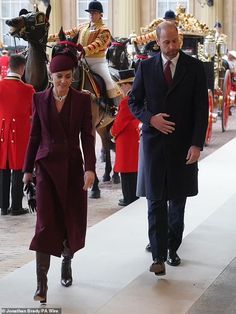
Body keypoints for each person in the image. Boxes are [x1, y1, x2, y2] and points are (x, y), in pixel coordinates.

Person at [129, 21, 208, 276]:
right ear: (158, 41)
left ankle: (173, 247)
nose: (171, 46)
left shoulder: (194, 68)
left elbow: (200, 109)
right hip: (153, 145)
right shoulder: (145, 66)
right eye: (166, 42)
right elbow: (134, 101)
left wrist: (197, 144)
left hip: (183, 145)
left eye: (175, 41)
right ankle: (158, 256)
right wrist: (150, 118)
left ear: (180, 40)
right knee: (155, 200)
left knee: (177, 201)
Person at [22, 48, 96, 303]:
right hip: (45, 170)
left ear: (73, 75)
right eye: (59, 76)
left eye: (67, 76)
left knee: (69, 222)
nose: (63, 81)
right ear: (51, 76)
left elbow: (88, 136)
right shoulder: (39, 99)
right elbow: (33, 136)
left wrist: (90, 168)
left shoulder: (83, 100)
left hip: (74, 170)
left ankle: (67, 260)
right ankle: (41, 285)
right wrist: (27, 170)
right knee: (44, 225)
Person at [48, 0, 121, 106]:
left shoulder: (104, 30)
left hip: (97, 62)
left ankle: (113, 106)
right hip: (80, 59)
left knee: (108, 82)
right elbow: (66, 33)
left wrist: (84, 49)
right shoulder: (82, 26)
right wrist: (47, 38)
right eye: (90, 13)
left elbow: (99, 44)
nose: (91, 15)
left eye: (94, 13)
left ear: (101, 15)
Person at [0, 54, 35, 216]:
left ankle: (3, 206)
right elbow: (31, 113)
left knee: (3, 169)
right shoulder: (28, 89)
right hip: (19, 134)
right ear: (22, 68)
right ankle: (16, 207)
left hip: (1, 134)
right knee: (17, 169)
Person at [110, 69, 140, 207]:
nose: (120, 88)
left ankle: (128, 197)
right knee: (134, 168)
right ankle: (134, 195)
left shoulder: (125, 101)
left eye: (121, 85)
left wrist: (112, 132)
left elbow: (119, 122)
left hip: (126, 139)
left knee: (126, 169)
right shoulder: (139, 96)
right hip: (135, 136)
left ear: (128, 84)